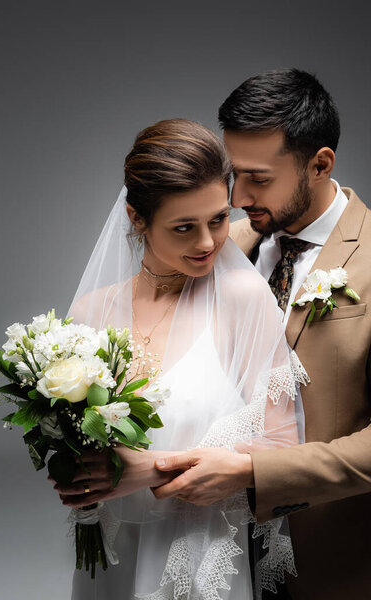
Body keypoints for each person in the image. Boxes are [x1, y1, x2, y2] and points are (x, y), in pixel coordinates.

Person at [53, 118, 308, 599]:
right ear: (136, 218)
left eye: (217, 219)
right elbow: (69, 442)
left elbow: (284, 446)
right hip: (113, 557)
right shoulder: (92, 310)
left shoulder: (241, 298)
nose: (209, 243)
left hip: (201, 554)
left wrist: (152, 469)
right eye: (184, 227)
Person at [153, 71, 371, 600]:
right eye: (234, 174)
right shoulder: (224, 244)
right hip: (213, 551)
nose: (237, 197)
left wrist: (252, 472)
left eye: (258, 178)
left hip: (329, 559)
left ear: (320, 164)